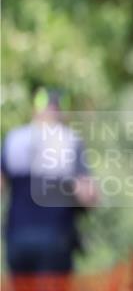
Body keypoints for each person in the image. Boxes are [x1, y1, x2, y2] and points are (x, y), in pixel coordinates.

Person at [1, 88, 98, 275]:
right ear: (62, 112)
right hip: (56, 237)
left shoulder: (14, 139)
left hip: (18, 237)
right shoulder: (70, 140)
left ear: (35, 109)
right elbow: (86, 195)